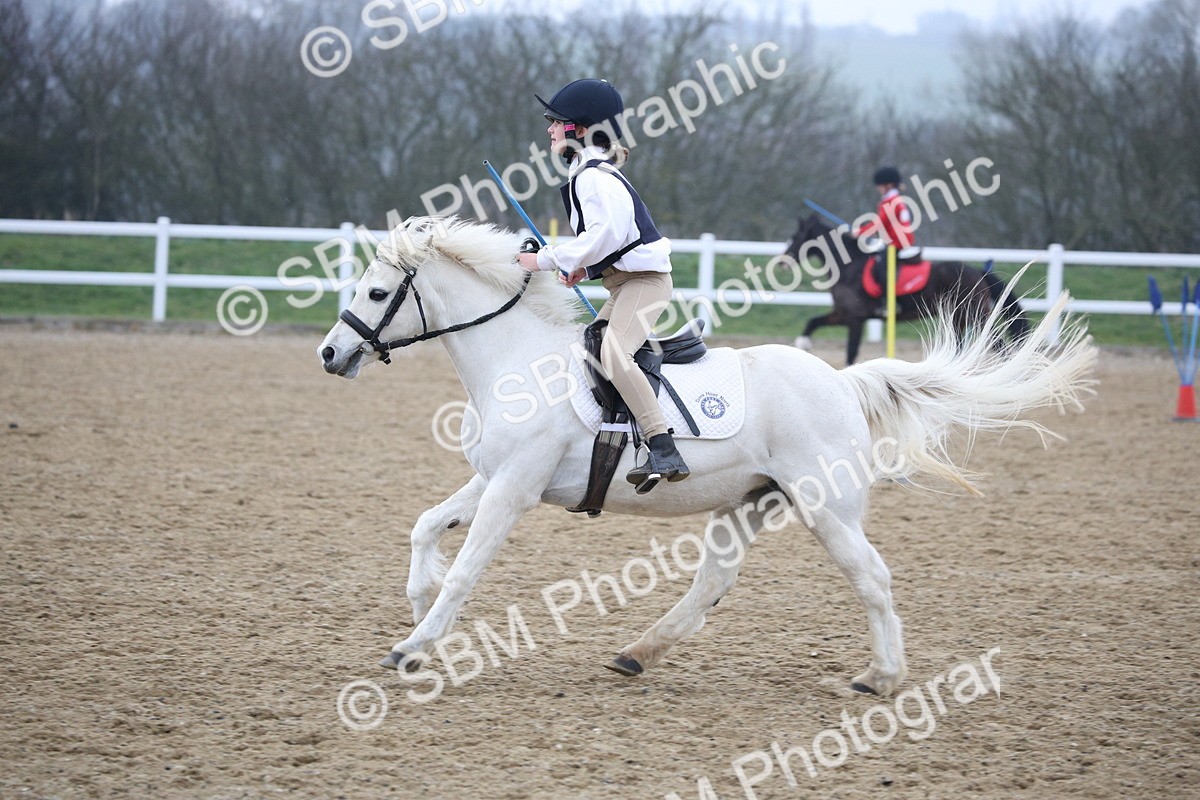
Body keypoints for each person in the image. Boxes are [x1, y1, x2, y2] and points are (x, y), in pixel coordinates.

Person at [516, 78, 689, 489]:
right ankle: (624, 434)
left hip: (645, 283)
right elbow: (610, 240)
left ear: (578, 128)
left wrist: (545, 259)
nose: (549, 129)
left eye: (555, 121)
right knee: (593, 342)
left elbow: (604, 236)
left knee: (612, 355)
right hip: (628, 283)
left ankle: (663, 446)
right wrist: (585, 268)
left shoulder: (593, 177)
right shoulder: (590, 173)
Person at [855, 166, 916, 305]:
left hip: (897, 242)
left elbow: (879, 224)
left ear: (889, 185)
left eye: (880, 185)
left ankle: (888, 302)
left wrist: (858, 232)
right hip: (894, 240)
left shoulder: (892, 202)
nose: (878, 188)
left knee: (882, 266)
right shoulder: (892, 200)